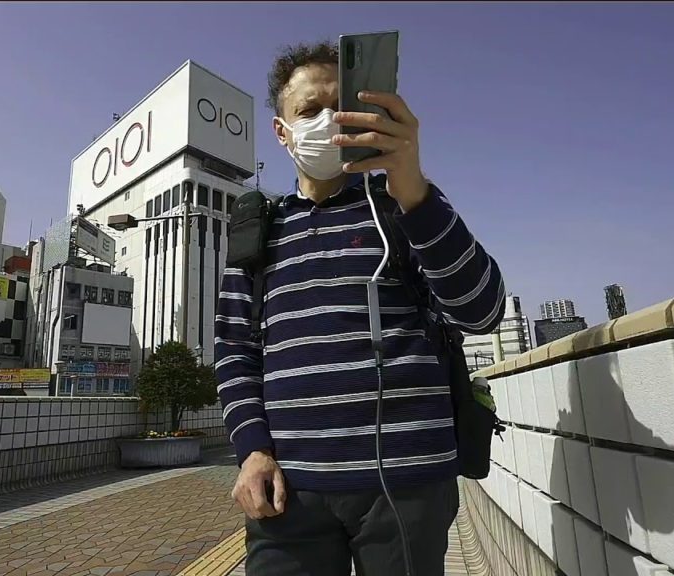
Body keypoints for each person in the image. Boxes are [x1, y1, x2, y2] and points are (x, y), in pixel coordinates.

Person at [215, 40, 506, 576]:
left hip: (409, 483)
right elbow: (235, 352)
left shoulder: (403, 205)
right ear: (282, 132)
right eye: (307, 111)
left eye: (337, 108)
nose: (324, 122)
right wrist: (252, 449)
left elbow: (482, 311)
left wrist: (413, 186)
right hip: (289, 494)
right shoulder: (256, 234)